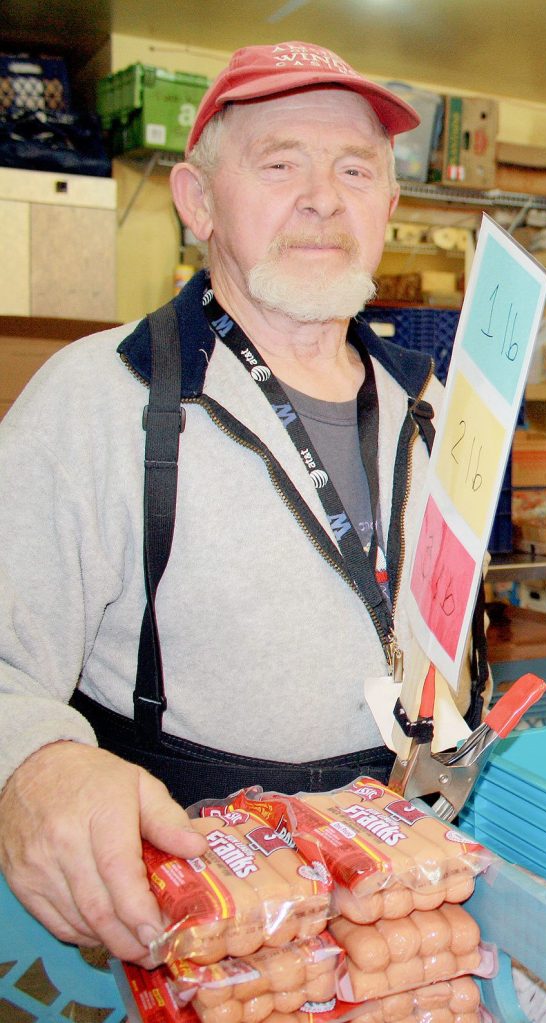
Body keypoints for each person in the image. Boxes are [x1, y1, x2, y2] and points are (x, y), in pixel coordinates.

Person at [0, 41, 488, 967]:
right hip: (185, 915)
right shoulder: (101, 397)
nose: (322, 197)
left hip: (396, 903)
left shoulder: (432, 409)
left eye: (355, 170)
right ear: (197, 202)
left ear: (388, 205)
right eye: (279, 165)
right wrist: (32, 762)